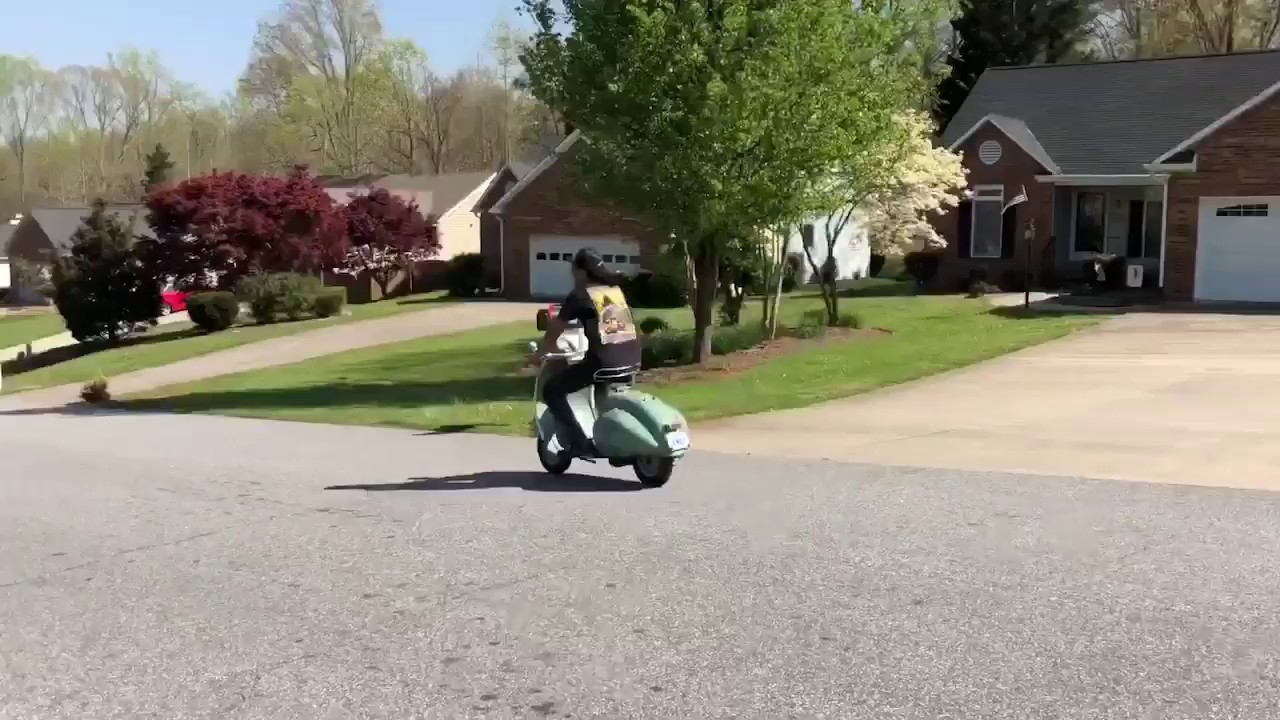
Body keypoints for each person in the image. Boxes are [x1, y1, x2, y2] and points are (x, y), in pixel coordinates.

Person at [535, 248, 642, 456]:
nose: (573, 276)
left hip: (603, 364)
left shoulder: (580, 295)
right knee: (591, 376)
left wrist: (541, 353)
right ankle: (605, 433)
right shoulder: (614, 290)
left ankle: (580, 442)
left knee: (551, 390)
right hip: (632, 360)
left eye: (574, 271)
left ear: (582, 272)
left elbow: (555, 330)